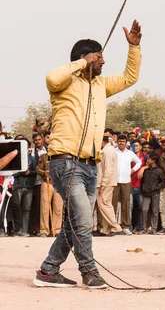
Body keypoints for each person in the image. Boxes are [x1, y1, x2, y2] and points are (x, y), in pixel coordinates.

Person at [34, 21, 142, 289]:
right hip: (65, 162)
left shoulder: (101, 85)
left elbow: (130, 78)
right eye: (100, 57)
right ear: (87, 58)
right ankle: (89, 272)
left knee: (75, 223)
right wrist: (81, 63)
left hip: (90, 166)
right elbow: (51, 77)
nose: (104, 62)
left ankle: (48, 271)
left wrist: (134, 48)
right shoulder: (64, 82)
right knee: (82, 221)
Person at [112, 134, 141, 235]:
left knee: (126, 203)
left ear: (126, 143)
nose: (121, 143)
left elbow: (139, 162)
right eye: (120, 141)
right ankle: (113, 225)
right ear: (117, 142)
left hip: (126, 180)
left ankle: (125, 226)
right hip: (114, 180)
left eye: (123, 141)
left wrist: (133, 170)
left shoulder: (130, 153)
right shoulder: (113, 152)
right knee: (113, 203)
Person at [96, 134, 122, 236]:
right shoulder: (108, 150)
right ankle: (105, 229)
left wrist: (103, 184)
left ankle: (116, 227)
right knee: (105, 204)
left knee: (104, 204)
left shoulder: (108, 151)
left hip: (106, 182)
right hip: (107, 181)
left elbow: (108, 169)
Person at [139, 152, 165, 234]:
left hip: (155, 193)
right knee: (144, 210)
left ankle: (154, 228)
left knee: (155, 211)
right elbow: (142, 180)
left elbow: (163, 181)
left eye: (150, 159)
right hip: (146, 192)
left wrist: (156, 187)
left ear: (153, 161)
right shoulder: (146, 170)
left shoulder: (159, 170)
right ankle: (144, 228)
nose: (148, 160)